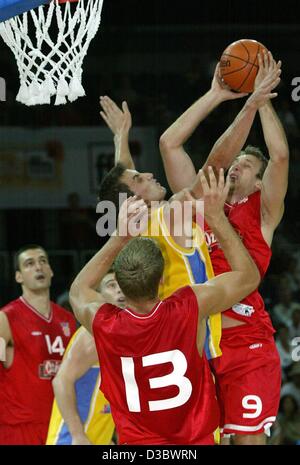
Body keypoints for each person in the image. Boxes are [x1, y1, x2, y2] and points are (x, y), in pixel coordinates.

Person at [69, 170, 260, 445]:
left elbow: (78, 290)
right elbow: (249, 276)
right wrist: (216, 217)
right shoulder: (188, 307)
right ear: (161, 281)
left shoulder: (104, 324)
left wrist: (119, 238)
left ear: (119, 286)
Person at [159, 51, 288, 445]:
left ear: (261, 183)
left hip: (245, 342)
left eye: (248, 166)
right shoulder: (201, 197)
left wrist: (262, 100)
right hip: (194, 343)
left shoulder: (263, 212)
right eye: (238, 161)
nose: (238, 166)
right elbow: (170, 146)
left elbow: (280, 155)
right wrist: (216, 95)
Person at [99, 96, 221, 362]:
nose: (150, 174)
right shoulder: (171, 213)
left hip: (161, 344)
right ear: (134, 197)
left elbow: (123, 179)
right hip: (196, 345)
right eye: (141, 177)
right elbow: (216, 164)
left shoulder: (126, 230)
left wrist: (121, 136)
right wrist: (220, 96)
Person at [0, 244, 77, 445]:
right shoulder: (6, 318)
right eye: (29, 264)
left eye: (43, 261)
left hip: (59, 425)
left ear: (51, 271)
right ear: (18, 277)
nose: (38, 267)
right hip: (19, 429)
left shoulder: (67, 320)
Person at [46, 270, 125, 445]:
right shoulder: (92, 333)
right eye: (111, 285)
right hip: (69, 440)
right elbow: (60, 381)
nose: (119, 290)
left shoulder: (121, 335)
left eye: (121, 284)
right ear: (97, 296)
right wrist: (77, 435)